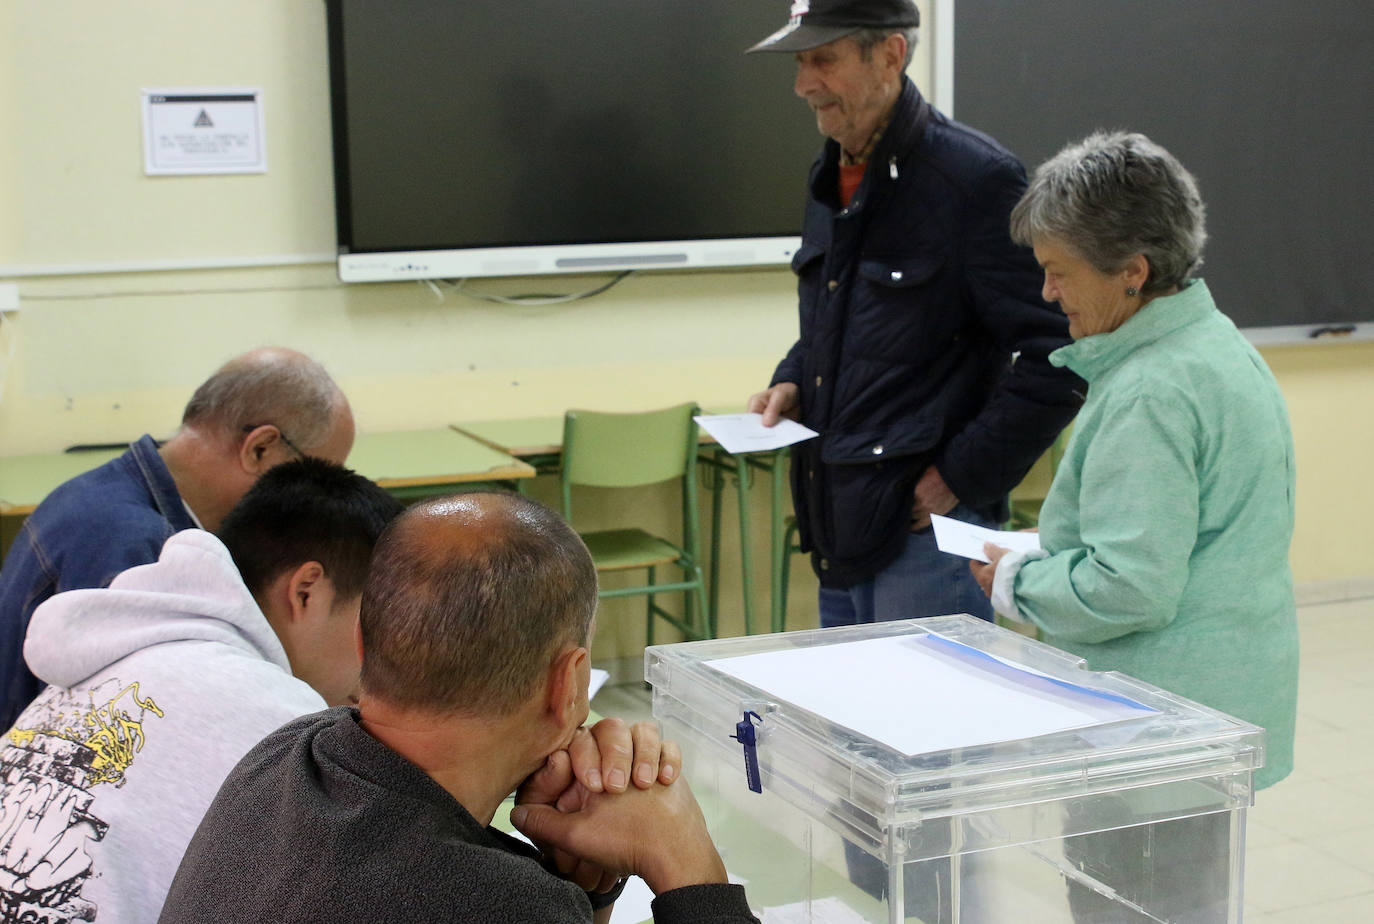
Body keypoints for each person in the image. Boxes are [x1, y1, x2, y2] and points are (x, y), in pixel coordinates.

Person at [970, 131, 1299, 922]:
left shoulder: (1150, 391)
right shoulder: (1213, 348)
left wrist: (1017, 580)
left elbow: (1129, 587)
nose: (1047, 295)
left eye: (1058, 273)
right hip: (1210, 722)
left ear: (1133, 272)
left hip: (1150, 745)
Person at [158, 493, 758, 924]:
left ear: (365, 648)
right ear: (569, 684)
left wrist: (581, 890)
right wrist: (688, 866)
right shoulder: (494, 900)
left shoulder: (284, 755)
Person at [745, 0, 1083, 629]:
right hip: (839, 523)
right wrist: (793, 378)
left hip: (929, 538)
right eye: (799, 63)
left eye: (824, 59)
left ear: (891, 55)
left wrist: (958, 477)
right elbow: (836, 322)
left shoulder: (975, 180)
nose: (803, 85)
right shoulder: (832, 173)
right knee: (847, 726)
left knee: (930, 725)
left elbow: (1061, 355)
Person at [0, 458, 402, 924]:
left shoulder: (114, 657)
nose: (375, 660)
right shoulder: (282, 720)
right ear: (307, 589)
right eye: (372, 624)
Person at [0, 346, 355, 729]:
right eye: (318, 476)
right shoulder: (136, 548)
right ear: (261, 449)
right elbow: (133, 729)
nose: (318, 502)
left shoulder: (104, 490)